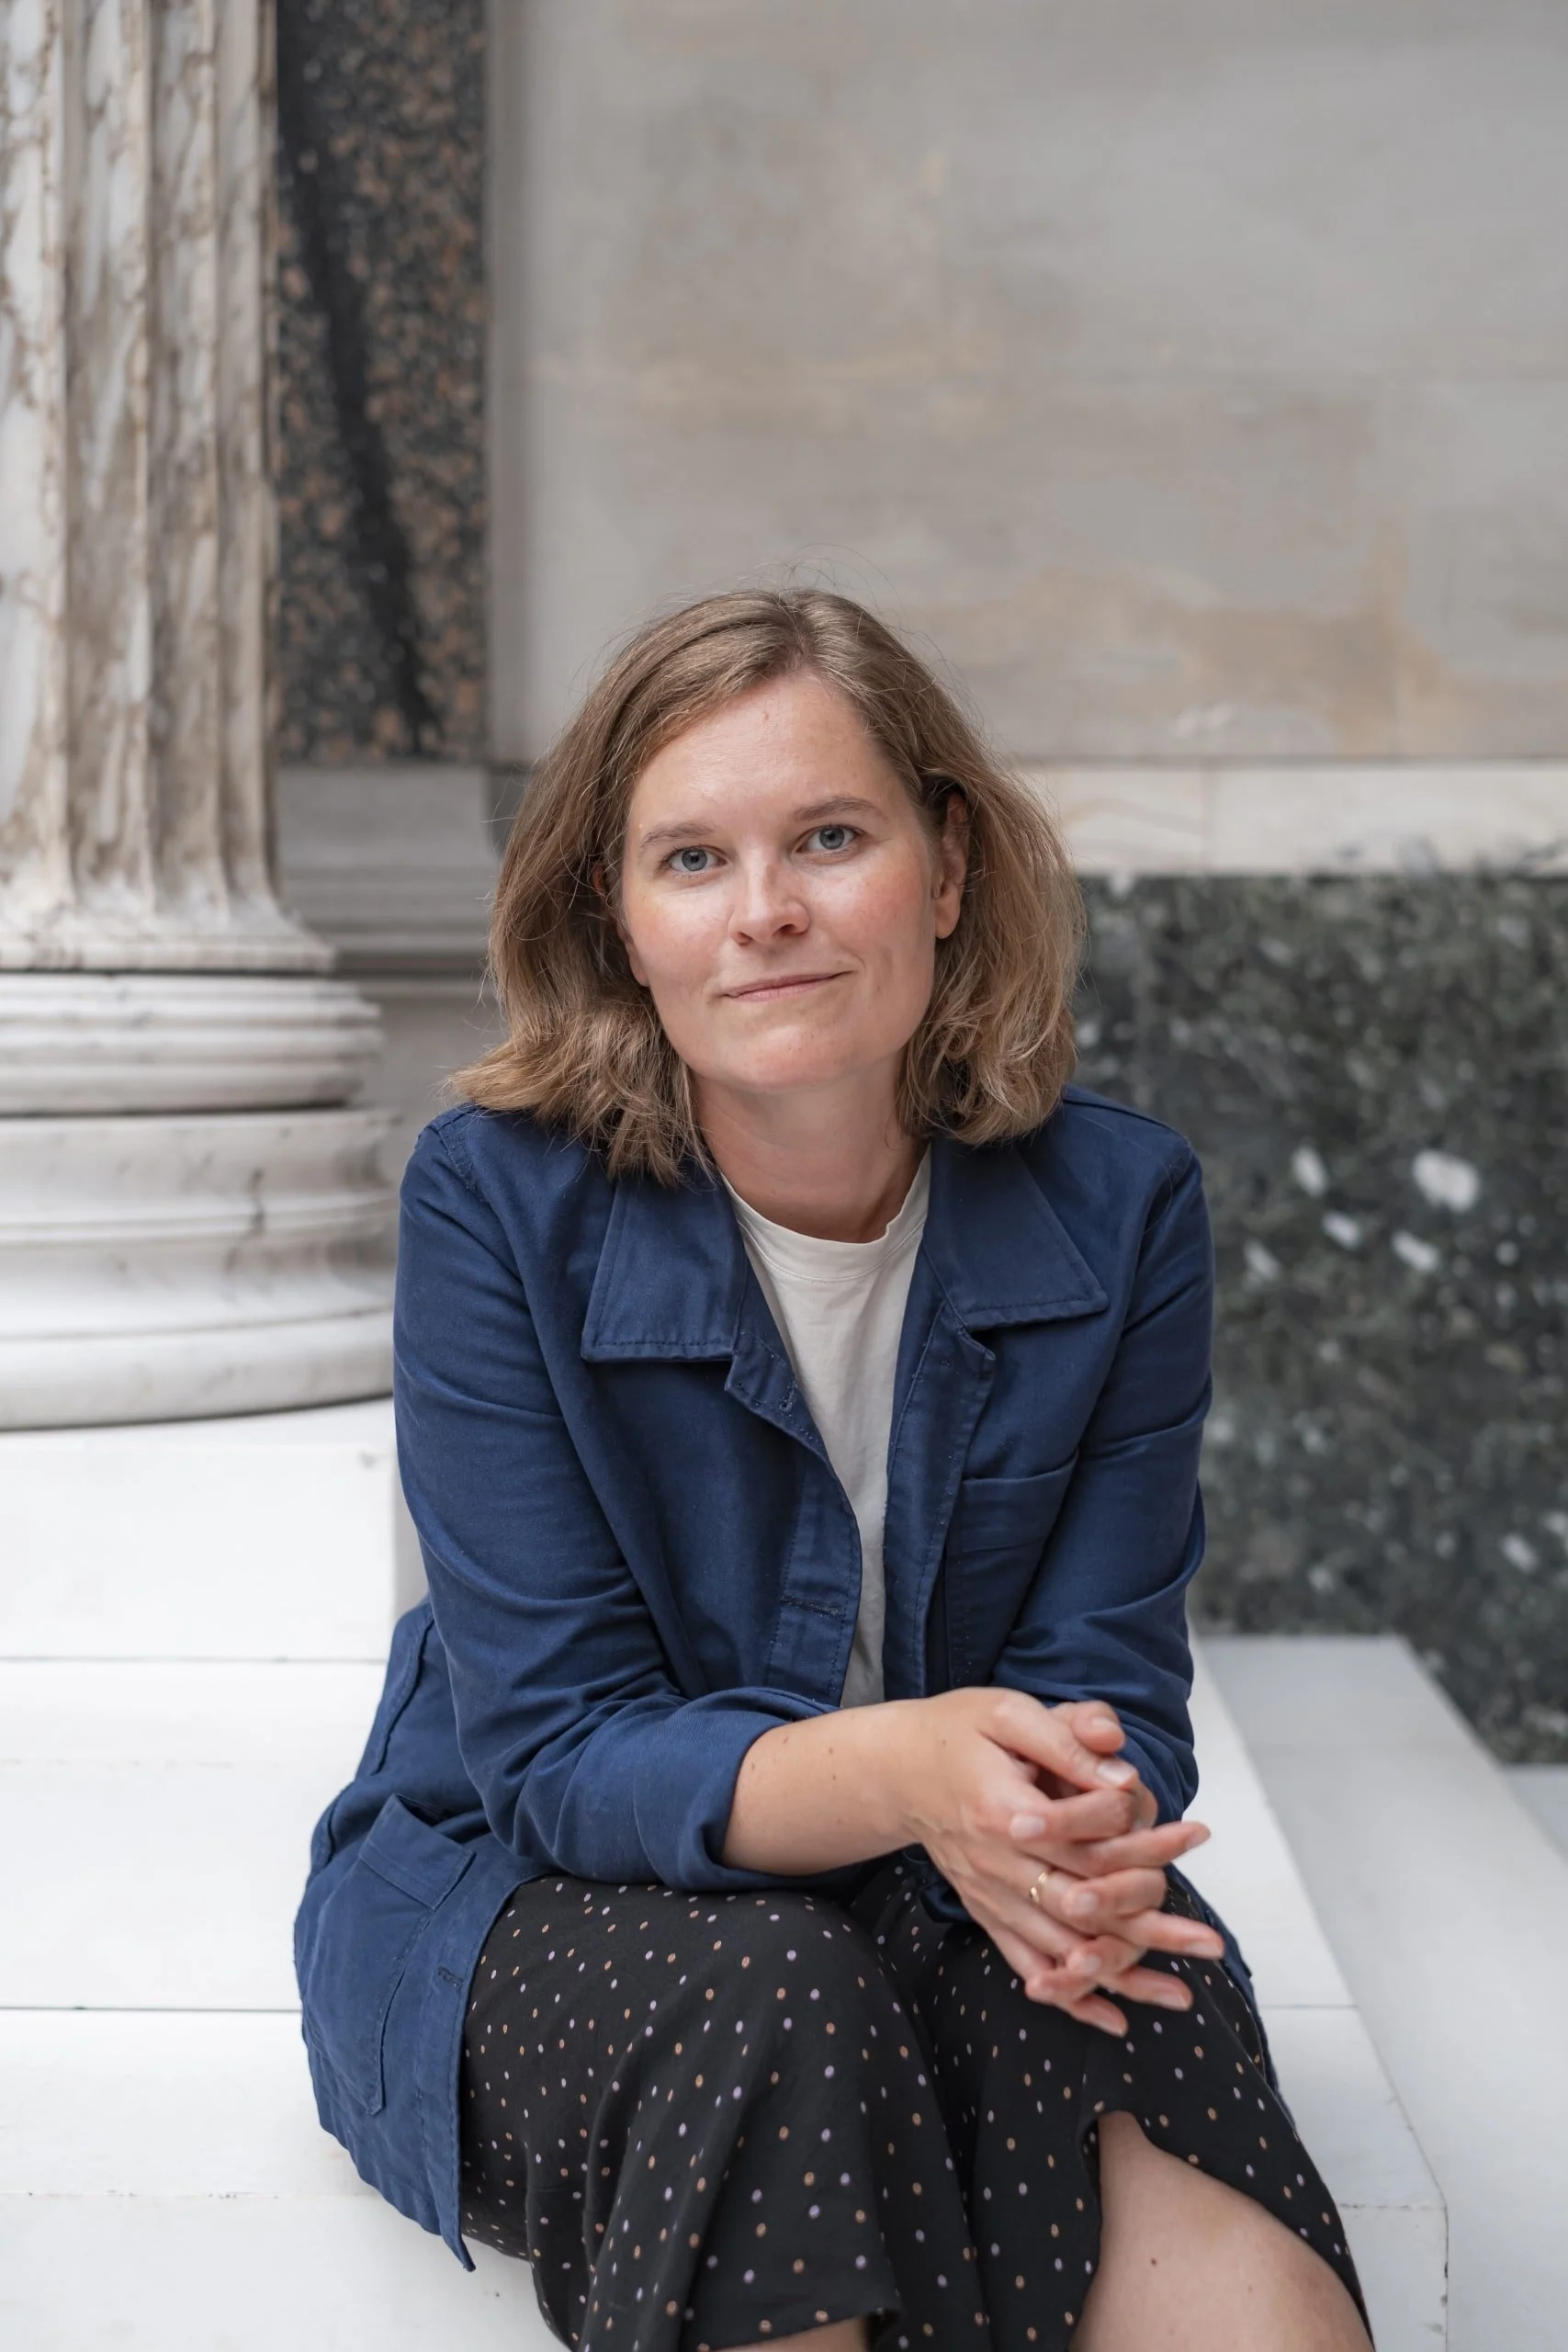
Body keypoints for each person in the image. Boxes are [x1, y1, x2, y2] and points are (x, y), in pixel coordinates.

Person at [296, 589, 1371, 2352]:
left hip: (955, 1871)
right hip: (532, 1891)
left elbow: (1110, 1683)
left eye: (828, 837)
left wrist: (1064, 1831)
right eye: (693, 860)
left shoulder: (1124, 1208)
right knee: (769, 2000)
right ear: (620, 923)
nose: (768, 912)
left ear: (945, 871)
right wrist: (907, 1769)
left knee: (1141, 2011)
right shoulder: (494, 1200)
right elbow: (562, 1758)